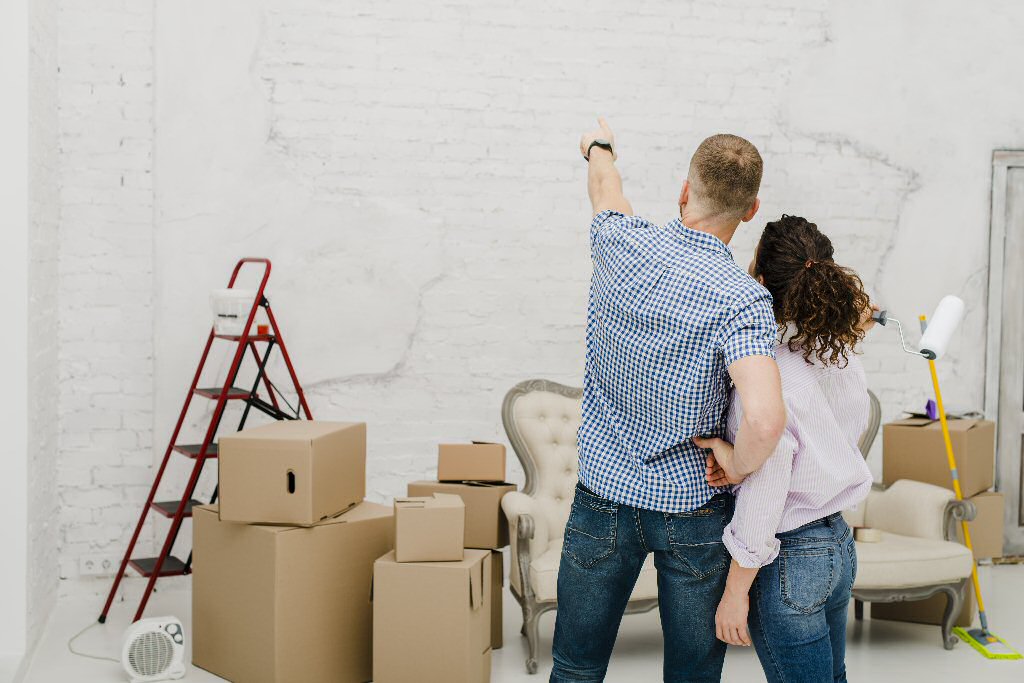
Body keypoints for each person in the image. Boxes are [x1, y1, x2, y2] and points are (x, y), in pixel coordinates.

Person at [550, 118, 787, 683]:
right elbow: (764, 416)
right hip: (693, 509)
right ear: (751, 210)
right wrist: (739, 463)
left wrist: (598, 147)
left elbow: (606, 187)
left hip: (602, 495)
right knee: (692, 676)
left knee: (576, 669)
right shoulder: (744, 300)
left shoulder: (620, 242)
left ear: (684, 191)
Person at [699, 214, 875, 683]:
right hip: (839, 547)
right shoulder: (840, 355)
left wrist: (736, 592)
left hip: (791, 560)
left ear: (759, 283)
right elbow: (840, 439)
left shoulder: (763, 380)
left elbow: (766, 497)